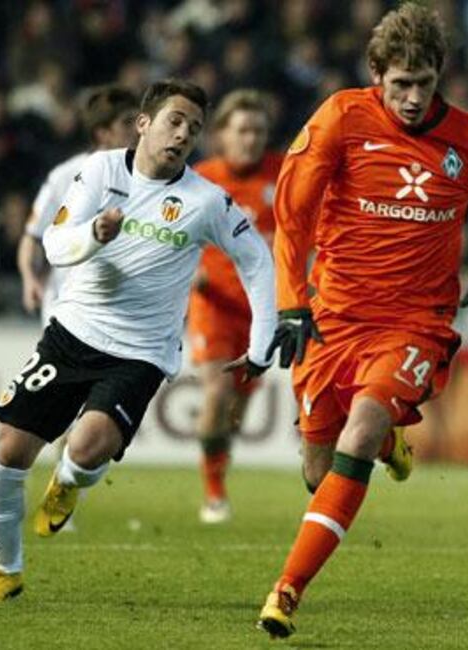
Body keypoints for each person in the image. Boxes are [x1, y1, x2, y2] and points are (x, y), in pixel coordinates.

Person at [256, 3, 468, 638]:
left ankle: (285, 590)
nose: (409, 98)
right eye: (398, 83)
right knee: (318, 471)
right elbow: (292, 218)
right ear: (376, 73)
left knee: (359, 428)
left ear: (441, 76)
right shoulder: (340, 118)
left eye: (423, 83)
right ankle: (387, 444)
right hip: (336, 315)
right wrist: (292, 302)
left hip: (415, 321)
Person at [0, 79, 277, 604]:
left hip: (142, 352)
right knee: (9, 452)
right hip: (70, 336)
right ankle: (6, 569)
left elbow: (258, 263)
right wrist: (94, 236)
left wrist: (262, 341)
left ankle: (68, 479)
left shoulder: (206, 201)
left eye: (194, 128)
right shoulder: (100, 170)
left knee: (88, 447)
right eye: (174, 121)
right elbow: (56, 242)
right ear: (143, 124)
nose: (183, 134)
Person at [16, 85, 138, 532]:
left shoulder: (146, 175)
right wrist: (30, 279)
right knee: (67, 404)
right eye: (128, 124)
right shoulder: (67, 174)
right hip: (67, 306)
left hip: (121, 312)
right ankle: (60, 492)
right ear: (103, 131)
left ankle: (64, 486)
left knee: (98, 412)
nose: (137, 131)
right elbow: (32, 237)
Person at [186, 89, 282, 524]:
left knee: (236, 412)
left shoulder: (283, 175)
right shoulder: (201, 179)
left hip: (262, 312)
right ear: (222, 134)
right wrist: (186, 271)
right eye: (242, 130)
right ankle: (213, 493)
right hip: (214, 305)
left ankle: (217, 473)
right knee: (217, 391)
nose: (251, 139)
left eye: (259, 131)